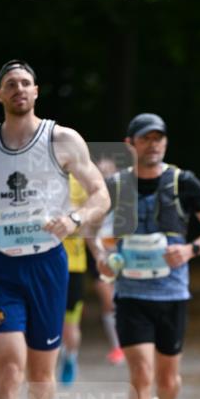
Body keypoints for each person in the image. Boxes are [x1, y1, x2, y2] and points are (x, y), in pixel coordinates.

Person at [0, 59, 110, 399]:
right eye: (9, 84)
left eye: (25, 83)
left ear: (36, 91)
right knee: (10, 367)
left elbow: (100, 194)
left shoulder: (62, 139)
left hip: (47, 266)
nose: (18, 89)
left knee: (41, 372)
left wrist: (75, 218)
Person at [96, 113, 200, 399]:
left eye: (159, 138)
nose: (154, 144)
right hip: (131, 295)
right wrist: (102, 256)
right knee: (141, 375)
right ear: (130, 144)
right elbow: (92, 229)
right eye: (146, 138)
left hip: (171, 295)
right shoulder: (115, 187)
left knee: (168, 381)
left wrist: (190, 249)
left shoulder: (183, 182)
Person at [85, 156, 125, 365]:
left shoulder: (126, 199)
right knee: (108, 303)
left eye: (109, 171)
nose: (105, 175)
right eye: (101, 171)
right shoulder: (92, 200)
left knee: (126, 301)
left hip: (124, 257)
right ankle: (117, 347)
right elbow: (87, 231)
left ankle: (130, 342)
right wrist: (98, 251)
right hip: (101, 258)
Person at [57, 173, 90, 385]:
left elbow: (90, 222)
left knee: (69, 323)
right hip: (42, 262)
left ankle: (69, 356)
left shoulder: (81, 181)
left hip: (74, 265)